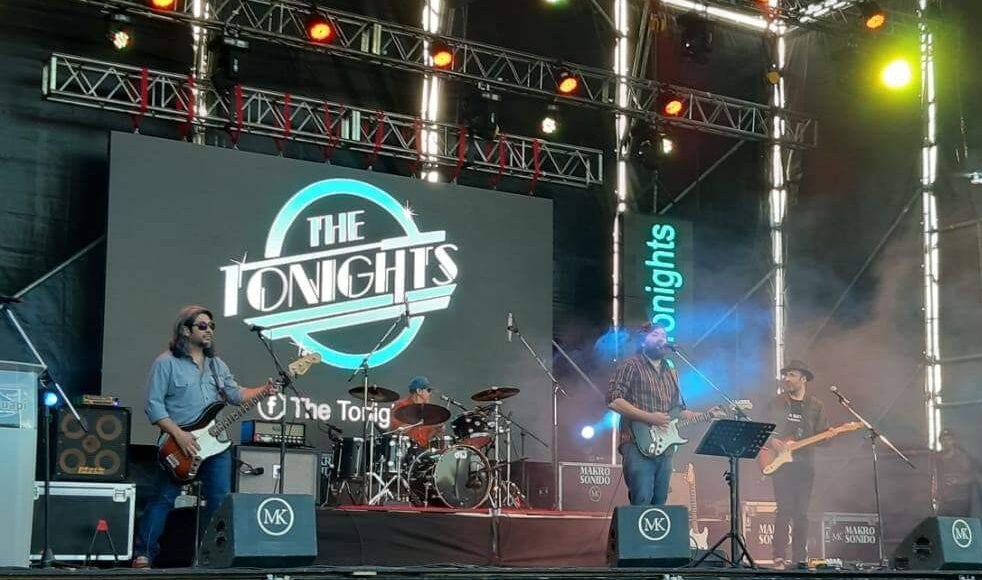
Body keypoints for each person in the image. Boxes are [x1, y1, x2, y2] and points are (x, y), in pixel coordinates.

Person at [133, 305, 274, 568]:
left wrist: (265, 389)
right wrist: (179, 435)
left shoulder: (216, 365)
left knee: (219, 501)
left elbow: (236, 395)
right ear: (185, 330)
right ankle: (144, 554)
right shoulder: (166, 363)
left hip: (215, 447)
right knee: (163, 499)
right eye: (202, 326)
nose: (209, 330)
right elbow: (153, 406)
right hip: (178, 445)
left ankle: (209, 557)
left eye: (211, 326)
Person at [607, 322, 707, 505]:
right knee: (642, 498)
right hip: (637, 443)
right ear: (642, 341)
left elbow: (678, 411)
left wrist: (707, 415)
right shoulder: (631, 365)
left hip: (665, 447)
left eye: (664, 336)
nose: (661, 339)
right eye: (655, 335)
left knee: (660, 501)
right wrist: (649, 417)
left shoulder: (671, 372)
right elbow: (613, 400)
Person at [765, 359, 827, 569]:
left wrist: (828, 436)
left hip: (805, 465)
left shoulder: (816, 406)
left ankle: (800, 556)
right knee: (784, 509)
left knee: (802, 513)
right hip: (781, 464)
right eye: (786, 375)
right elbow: (764, 430)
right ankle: (778, 556)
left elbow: (822, 437)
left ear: (803, 379)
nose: (787, 379)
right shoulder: (776, 403)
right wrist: (773, 441)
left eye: (792, 375)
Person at [935, 428, 982, 517]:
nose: (946, 442)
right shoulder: (937, 458)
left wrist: (957, 481)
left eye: (949, 439)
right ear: (940, 441)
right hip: (943, 502)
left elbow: (972, 476)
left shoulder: (962, 458)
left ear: (953, 441)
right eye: (944, 439)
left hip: (959, 501)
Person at [391, 376, 444, 448]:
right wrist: (416, 419)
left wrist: (437, 430)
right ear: (419, 391)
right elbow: (396, 431)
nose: (430, 394)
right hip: (406, 449)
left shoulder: (428, 409)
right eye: (428, 390)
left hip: (423, 450)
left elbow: (427, 438)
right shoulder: (401, 406)